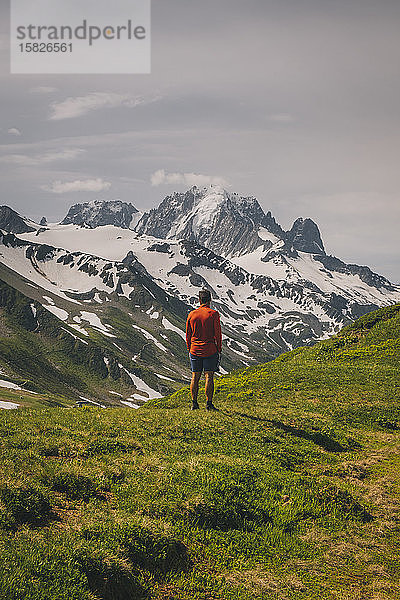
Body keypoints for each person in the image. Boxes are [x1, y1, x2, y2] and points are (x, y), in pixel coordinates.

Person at [186, 289, 222, 411]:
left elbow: (188, 334)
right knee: (209, 376)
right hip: (210, 350)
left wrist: (189, 348)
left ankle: (194, 404)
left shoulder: (192, 314)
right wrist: (219, 349)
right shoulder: (213, 314)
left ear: (199, 300)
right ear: (210, 300)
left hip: (195, 349)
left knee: (195, 377)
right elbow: (218, 334)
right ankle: (209, 404)